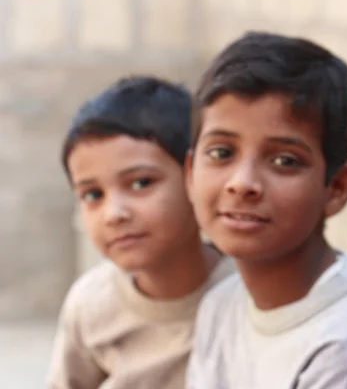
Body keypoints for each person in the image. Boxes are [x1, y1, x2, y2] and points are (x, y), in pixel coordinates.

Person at [185, 32, 347, 389]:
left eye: (284, 160)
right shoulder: (220, 304)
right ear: (189, 172)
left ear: (336, 188)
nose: (242, 183)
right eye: (222, 153)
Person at [47, 76, 235, 389]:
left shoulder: (248, 295)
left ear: (195, 178)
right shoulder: (91, 304)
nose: (114, 214)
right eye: (92, 194)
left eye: (141, 183)